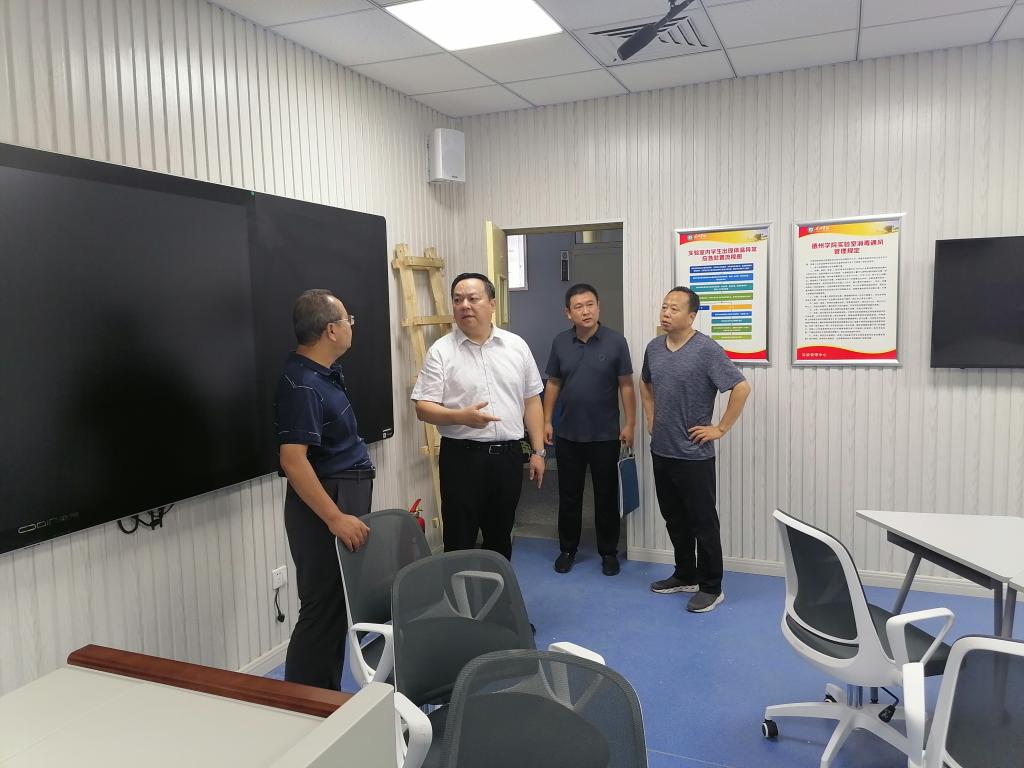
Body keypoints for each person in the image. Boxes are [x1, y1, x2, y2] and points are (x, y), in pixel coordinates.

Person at [274, 289, 373, 690]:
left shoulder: (323, 373)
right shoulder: (301, 383)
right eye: (348, 320)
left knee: (334, 606)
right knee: (321, 608)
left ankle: (324, 697)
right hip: (325, 504)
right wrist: (334, 517)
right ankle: (303, 704)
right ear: (332, 330)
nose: (351, 327)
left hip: (341, 492)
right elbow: (293, 460)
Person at [411, 272, 546, 560]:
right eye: (458, 300)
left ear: (492, 304)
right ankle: (458, 592)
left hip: (508, 457)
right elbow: (423, 407)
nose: (465, 306)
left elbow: (532, 400)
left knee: (500, 537)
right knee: (459, 539)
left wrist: (538, 452)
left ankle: (495, 589)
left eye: (473, 298)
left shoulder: (516, 346)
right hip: (462, 459)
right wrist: (461, 416)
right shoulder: (441, 351)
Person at [640, 286, 751, 613]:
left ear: (691, 316)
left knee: (703, 522)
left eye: (674, 308)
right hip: (661, 450)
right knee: (674, 519)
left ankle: (712, 587)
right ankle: (685, 574)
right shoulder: (654, 348)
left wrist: (720, 428)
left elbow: (741, 387)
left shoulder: (706, 350)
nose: (666, 313)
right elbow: (645, 382)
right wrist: (650, 415)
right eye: (664, 307)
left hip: (693, 455)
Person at [543, 283, 636, 576]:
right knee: (569, 496)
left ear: (598, 307)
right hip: (568, 434)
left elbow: (626, 385)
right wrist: (546, 420)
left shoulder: (616, 342)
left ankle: (608, 552)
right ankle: (567, 550)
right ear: (568, 313)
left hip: (605, 435)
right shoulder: (560, 342)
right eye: (579, 306)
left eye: (590, 304)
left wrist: (630, 423)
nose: (586, 311)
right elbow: (553, 383)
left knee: (606, 497)